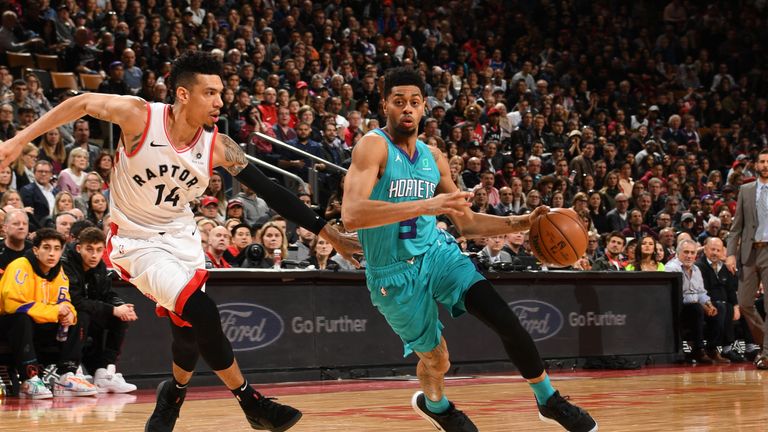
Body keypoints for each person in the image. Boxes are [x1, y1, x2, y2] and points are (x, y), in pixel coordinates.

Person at [0, 51, 359, 431]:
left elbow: (271, 190)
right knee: (203, 311)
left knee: (187, 331)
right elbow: (82, 102)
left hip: (182, 237)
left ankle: (173, 392)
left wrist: (327, 231)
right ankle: (250, 401)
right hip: (137, 242)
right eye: (210, 92)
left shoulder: (218, 146)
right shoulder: (140, 116)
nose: (220, 101)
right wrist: (19, 141)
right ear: (184, 95)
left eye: (221, 92)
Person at [342, 67, 596, 432]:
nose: (407, 109)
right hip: (393, 275)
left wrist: (526, 220)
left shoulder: (434, 157)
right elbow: (351, 215)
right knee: (437, 359)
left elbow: (468, 224)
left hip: (437, 254)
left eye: (414, 102)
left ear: (424, 106)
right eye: (399, 102)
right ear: (385, 105)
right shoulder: (373, 146)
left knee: (506, 319)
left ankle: (548, 399)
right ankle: (437, 406)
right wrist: (425, 206)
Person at [0, 228, 98, 398]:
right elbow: (14, 306)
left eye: (57, 248)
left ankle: (67, 375)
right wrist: (55, 311)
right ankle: (29, 379)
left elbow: (64, 301)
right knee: (21, 319)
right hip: (8, 326)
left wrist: (68, 313)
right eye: (46, 247)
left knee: (79, 316)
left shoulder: (59, 272)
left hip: (39, 325)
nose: (52, 253)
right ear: (36, 250)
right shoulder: (19, 266)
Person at [63, 227, 139, 392]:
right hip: (64, 315)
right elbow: (76, 301)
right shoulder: (66, 264)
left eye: (98, 250)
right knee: (81, 314)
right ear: (78, 248)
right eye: (89, 249)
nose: (94, 255)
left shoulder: (100, 266)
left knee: (120, 317)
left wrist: (120, 306)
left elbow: (107, 293)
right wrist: (112, 310)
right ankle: (71, 371)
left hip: (88, 314)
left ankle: (104, 372)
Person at [726, 148, 768, 370]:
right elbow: (736, 228)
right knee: (744, 303)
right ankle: (766, 346)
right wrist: (731, 253)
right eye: (762, 161)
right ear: (756, 165)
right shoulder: (746, 189)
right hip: (749, 252)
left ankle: (766, 354)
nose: (765, 165)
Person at [665, 239, 718, 364]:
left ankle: (713, 350)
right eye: (686, 252)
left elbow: (701, 292)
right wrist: (701, 305)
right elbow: (677, 296)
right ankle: (698, 350)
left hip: (694, 306)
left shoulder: (696, 269)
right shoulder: (671, 268)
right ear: (678, 253)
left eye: (692, 253)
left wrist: (709, 305)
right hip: (676, 308)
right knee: (696, 308)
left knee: (719, 308)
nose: (689, 256)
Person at [696, 237, 742, 363]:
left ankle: (742, 348)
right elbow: (702, 291)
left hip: (724, 304)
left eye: (718, 250)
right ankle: (712, 348)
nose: (715, 252)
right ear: (705, 250)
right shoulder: (699, 266)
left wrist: (736, 306)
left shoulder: (725, 267)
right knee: (722, 307)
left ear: (723, 252)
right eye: (712, 249)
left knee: (737, 308)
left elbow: (731, 290)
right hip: (707, 303)